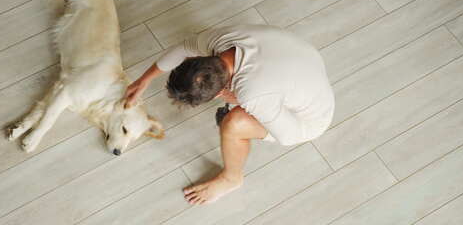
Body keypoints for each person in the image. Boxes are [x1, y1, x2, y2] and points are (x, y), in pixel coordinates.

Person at [124, 25, 335, 205]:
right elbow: (183, 48)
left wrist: (243, 101)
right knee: (251, 104)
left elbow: (288, 136)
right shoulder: (220, 40)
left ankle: (231, 178)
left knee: (233, 123)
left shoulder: (252, 93)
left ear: (219, 93)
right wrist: (145, 79)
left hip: (308, 120)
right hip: (306, 62)